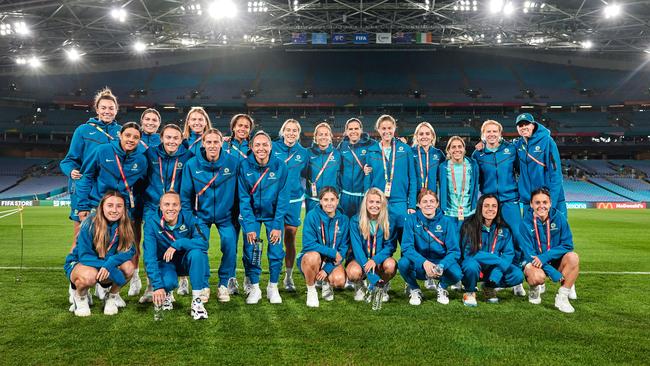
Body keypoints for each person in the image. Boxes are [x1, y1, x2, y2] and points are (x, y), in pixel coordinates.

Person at [75, 122, 148, 299]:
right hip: (97, 205)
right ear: (120, 135)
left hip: (121, 209)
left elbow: (142, 186)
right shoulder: (103, 151)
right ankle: (79, 288)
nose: (131, 139)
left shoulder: (141, 160)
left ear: (139, 140)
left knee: (120, 247)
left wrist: (136, 209)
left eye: (136, 137)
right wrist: (83, 205)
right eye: (128, 135)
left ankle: (110, 292)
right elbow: (87, 177)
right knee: (90, 245)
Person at [180, 128, 239, 303]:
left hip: (226, 216)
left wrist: (236, 215)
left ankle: (223, 284)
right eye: (209, 142)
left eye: (216, 142)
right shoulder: (191, 164)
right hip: (200, 217)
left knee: (230, 245)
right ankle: (204, 285)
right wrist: (190, 219)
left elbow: (240, 192)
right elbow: (184, 196)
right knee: (200, 247)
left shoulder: (233, 162)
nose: (212, 145)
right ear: (203, 143)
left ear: (222, 142)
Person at [138, 124, 193, 302]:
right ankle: (151, 285)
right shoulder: (150, 154)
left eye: (175, 138)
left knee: (178, 241)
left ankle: (179, 279)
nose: (172, 141)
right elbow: (142, 179)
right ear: (161, 138)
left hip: (175, 207)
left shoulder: (187, 156)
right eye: (168, 137)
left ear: (181, 140)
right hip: (153, 205)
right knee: (151, 246)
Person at [60, 87, 121, 245]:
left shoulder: (121, 132)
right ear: (97, 109)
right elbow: (68, 160)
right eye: (103, 108)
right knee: (80, 235)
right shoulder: (83, 130)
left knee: (109, 237)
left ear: (116, 110)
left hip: (110, 189)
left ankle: (101, 268)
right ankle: (74, 268)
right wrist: (71, 171)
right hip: (85, 188)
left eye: (111, 108)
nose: (107, 111)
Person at [472, 120, 526, 297]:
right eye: (488, 131)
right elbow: (475, 180)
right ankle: (484, 275)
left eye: (495, 131)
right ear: (483, 134)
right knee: (486, 240)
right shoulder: (478, 154)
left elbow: (521, 171)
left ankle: (517, 282)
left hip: (510, 200)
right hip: (488, 202)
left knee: (517, 238)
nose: (492, 134)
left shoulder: (511, 150)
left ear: (500, 133)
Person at [238, 131, 290, 304]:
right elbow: (243, 198)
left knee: (276, 252)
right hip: (251, 217)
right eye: (257, 145)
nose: (261, 148)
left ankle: (272, 287)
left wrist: (277, 225)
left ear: (270, 146)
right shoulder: (244, 165)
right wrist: (250, 226)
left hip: (272, 218)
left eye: (265, 144)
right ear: (251, 147)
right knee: (251, 251)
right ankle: (255, 287)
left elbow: (283, 198)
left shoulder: (280, 166)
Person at [64, 191, 135, 317]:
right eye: (110, 205)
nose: (114, 210)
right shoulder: (89, 223)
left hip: (105, 263)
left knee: (129, 268)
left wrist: (111, 263)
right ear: (102, 206)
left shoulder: (125, 223)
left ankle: (111, 297)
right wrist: (111, 269)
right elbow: (84, 256)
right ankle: (80, 298)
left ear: (124, 209)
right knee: (90, 276)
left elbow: (130, 250)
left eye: (119, 206)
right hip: (82, 262)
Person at [142, 192, 210, 320]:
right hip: (166, 263)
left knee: (198, 253)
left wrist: (178, 243)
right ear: (160, 207)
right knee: (167, 283)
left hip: (186, 262)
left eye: (175, 205)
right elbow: (149, 256)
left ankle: (197, 302)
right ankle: (167, 293)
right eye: (166, 204)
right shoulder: (151, 223)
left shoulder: (190, 218)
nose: (171, 208)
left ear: (180, 207)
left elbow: (204, 243)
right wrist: (158, 286)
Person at [398, 189, 462, 306]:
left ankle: (442, 287)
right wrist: (424, 262)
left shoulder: (447, 221)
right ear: (418, 204)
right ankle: (414, 289)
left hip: (440, 262)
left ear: (437, 203)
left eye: (432, 201)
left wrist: (441, 265)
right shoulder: (411, 220)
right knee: (403, 263)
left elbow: (454, 251)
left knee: (457, 273)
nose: (428, 204)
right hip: (420, 262)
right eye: (425, 201)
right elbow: (406, 247)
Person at [520, 188, 579, 313]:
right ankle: (534, 289)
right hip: (534, 263)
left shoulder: (559, 218)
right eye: (537, 203)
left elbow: (568, 245)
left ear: (550, 203)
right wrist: (551, 271)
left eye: (545, 202)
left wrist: (545, 257)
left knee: (573, 258)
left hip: (554, 261)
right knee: (537, 277)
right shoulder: (525, 223)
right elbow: (529, 254)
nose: (541, 206)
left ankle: (562, 297)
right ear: (531, 204)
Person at [460, 194, 524, 307]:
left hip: (492, 268)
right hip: (475, 265)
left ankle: (489, 287)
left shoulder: (504, 228)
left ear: (498, 209)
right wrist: (498, 261)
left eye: (494, 206)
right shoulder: (469, 225)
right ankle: (469, 291)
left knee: (517, 275)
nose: (490, 209)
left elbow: (508, 253)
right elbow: (469, 253)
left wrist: (496, 273)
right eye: (486, 206)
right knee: (470, 266)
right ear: (480, 207)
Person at [365, 115, 417, 243]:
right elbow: (368, 181)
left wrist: (411, 205)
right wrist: (368, 203)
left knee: (406, 244)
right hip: (379, 205)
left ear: (394, 128)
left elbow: (412, 179)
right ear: (378, 129)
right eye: (383, 128)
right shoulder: (371, 152)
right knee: (381, 244)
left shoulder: (405, 149)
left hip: (401, 204)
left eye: (389, 128)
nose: (387, 131)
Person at [272, 119, 309, 292]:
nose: (291, 133)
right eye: (288, 130)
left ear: (298, 133)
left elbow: (309, 174)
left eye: (295, 130)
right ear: (282, 131)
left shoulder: (303, 153)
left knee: (290, 240)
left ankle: (288, 277)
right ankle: (273, 280)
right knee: (274, 240)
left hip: (294, 202)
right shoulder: (273, 148)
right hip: (275, 201)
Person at [298, 187, 350, 308]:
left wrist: (326, 269)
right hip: (311, 258)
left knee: (339, 281)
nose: (329, 203)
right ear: (320, 201)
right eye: (325, 200)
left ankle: (327, 283)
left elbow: (343, 248)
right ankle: (311, 290)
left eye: (332, 199)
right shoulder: (312, 216)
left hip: (331, 261)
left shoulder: (344, 220)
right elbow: (308, 243)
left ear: (338, 200)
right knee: (313, 257)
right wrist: (332, 252)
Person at [347, 188, 397, 302]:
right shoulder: (355, 220)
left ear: (383, 204)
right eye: (371, 202)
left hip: (379, 260)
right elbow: (357, 249)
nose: (374, 205)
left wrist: (375, 260)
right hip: (360, 259)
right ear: (366, 203)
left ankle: (381, 286)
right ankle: (360, 286)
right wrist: (371, 275)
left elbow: (390, 247)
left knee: (390, 265)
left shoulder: (389, 221)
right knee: (353, 272)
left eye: (378, 202)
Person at [514, 113, 567, 216]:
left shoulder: (547, 141)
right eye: (520, 125)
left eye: (527, 124)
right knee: (530, 232)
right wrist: (483, 143)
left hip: (546, 199)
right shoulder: (518, 144)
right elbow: (499, 145)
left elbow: (556, 174)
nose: (524, 127)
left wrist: (551, 202)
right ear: (517, 128)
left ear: (533, 125)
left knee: (555, 231)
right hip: (528, 201)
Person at [338, 118, 377, 218]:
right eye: (350, 129)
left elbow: (386, 147)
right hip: (345, 196)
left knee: (362, 228)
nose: (353, 131)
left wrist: (397, 141)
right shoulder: (342, 146)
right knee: (344, 228)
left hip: (362, 196)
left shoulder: (371, 144)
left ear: (361, 130)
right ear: (346, 131)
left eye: (356, 128)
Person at [438, 136, 479, 229]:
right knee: (452, 243)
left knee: (468, 243)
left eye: (460, 146)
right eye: (453, 147)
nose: (457, 149)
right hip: (449, 214)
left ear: (464, 149)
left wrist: (483, 143)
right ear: (448, 150)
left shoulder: (472, 165)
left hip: (470, 213)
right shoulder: (443, 167)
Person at [305, 122, 341, 213]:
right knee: (312, 226)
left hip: (330, 201)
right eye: (320, 134)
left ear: (330, 137)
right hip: (312, 200)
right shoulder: (307, 153)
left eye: (326, 134)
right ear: (315, 137)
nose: (323, 137)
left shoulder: (337, 154)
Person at [411, 122, 445, 193]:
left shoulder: (438, 153)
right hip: (414, 197)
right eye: (421, 134)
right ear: (416, 136)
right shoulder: (410, 152)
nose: (424, 136)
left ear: (432, 136)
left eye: (427, 133)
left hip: (432, 198)